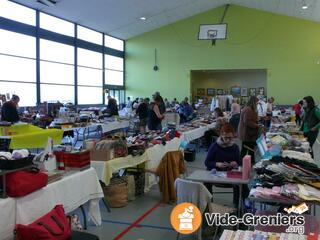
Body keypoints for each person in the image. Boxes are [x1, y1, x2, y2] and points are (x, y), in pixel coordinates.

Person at [204, 124, 242, 205]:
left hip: (230, 174)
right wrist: (217, 164)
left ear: (233, 136)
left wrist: (236, 164)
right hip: (216, 174)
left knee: (240, 185)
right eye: (226, 138)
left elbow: (240, 163)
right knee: (206, 182)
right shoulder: (215, 146)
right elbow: (207, 162)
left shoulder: (235, 147)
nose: (228, 140)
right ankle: (209, 205)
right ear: (221, 136)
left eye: (230, 138)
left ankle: (236, 206)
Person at [238, 96, 259, 164]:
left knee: (249, 148)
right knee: (246, 149)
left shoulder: (249, 108)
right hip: (246, 132)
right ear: (253, 102)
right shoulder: (248, 109)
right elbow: (247, 121)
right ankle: (242, 163)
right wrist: (257, 125)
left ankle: (250, 162)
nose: (257, 104)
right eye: (257, 103)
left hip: (248, 132)